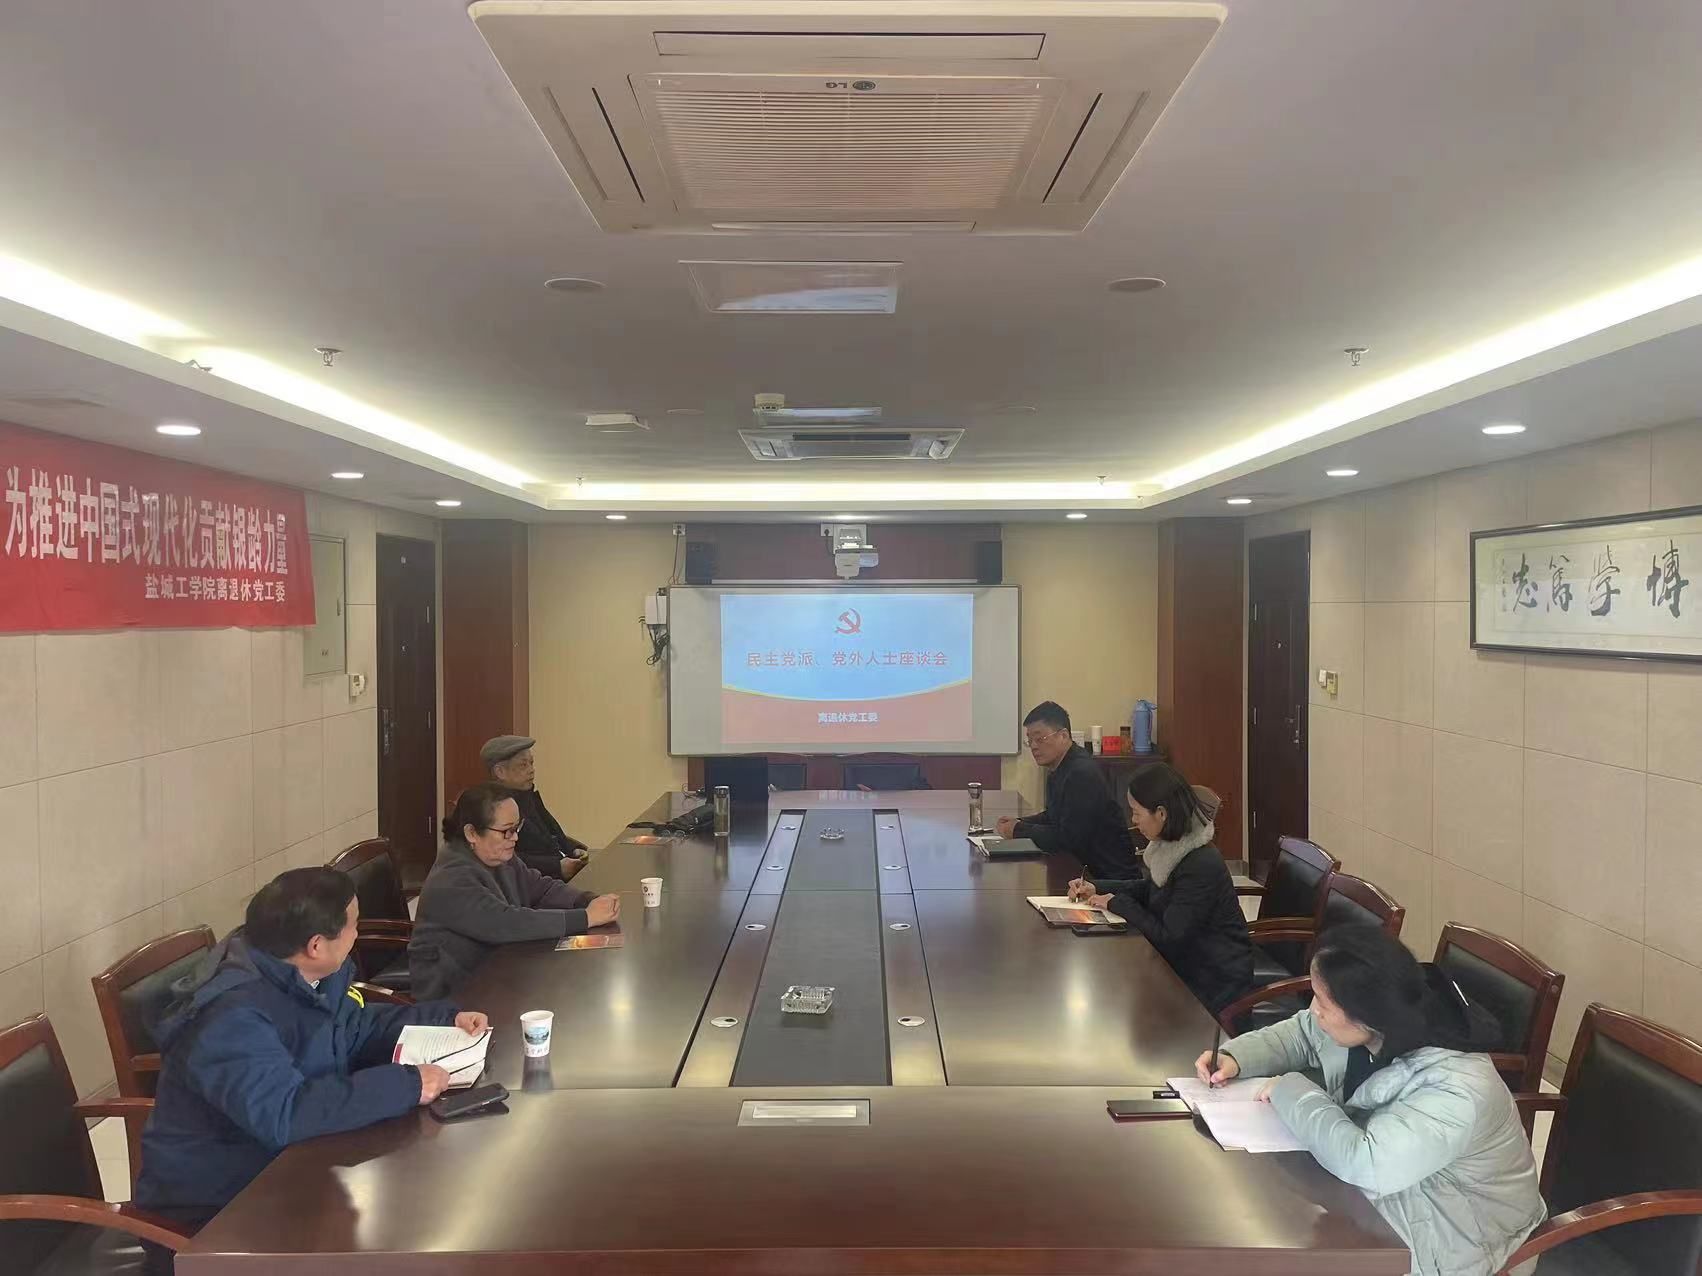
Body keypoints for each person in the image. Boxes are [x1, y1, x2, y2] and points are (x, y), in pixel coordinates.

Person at [134, 867, 483, 1232]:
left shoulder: (303, 974)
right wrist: (406, 1085)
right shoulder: (231, 1018)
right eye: (353, 925)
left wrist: (443, 1019)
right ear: (316, 946)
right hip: (216, 1212)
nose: (357, 934)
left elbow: (353, 1027)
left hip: (290, 1168)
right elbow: (285, 1114)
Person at [1193, 926, 1546, 1276]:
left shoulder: (1456, 1089)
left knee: (1280, 1237)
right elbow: (1302, 1032)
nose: (1314, 1010)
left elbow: (1367, 1164)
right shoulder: (1374, 1018)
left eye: (1323, 1003)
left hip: (1461, 1235)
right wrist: (1237, 1057)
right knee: (1267, 1208)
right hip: (1400, 1187)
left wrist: (1291, 1089)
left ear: (1366, 1016)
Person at [1068, 763, 1255, 1017]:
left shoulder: (1199, 864)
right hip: (1185, 966)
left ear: (1162, 814)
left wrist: (1117, 903)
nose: (1133, 821)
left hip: (1211, 984)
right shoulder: (1172, 843)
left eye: (1136, 813)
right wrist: (1097, 887)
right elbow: (1151, 889)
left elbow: (1169, 937)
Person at [409, 784, 621, 1000]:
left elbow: (540, 887)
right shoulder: (451, 877)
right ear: (472, 833)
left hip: (498, 970)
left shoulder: (498, 854)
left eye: (517, 828)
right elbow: (506, 922)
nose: (515, 838)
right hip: (453, 991)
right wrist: (585, 917)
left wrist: (586, 900)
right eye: (506, 831)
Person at [995, 701, 1139, 878]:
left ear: (1063, 735)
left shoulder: (1081, 773)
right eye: (1029, 740)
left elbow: (1067, 840)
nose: (1033, 746)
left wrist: (1019, 830)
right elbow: (1053, 816)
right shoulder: (1058, 768)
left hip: (1107, 879)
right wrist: (1018, 822)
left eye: (1039, 739)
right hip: (1080, 872)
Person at [482, 734, 590, 881]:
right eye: (523, 765)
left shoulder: (527, 796)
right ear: (500, 772)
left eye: (531, 763)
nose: (531, 770)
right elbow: (504, 858)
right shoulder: (493, 808)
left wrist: (572, 850)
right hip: (534, 884)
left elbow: (550, 834)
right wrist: (556, 866)